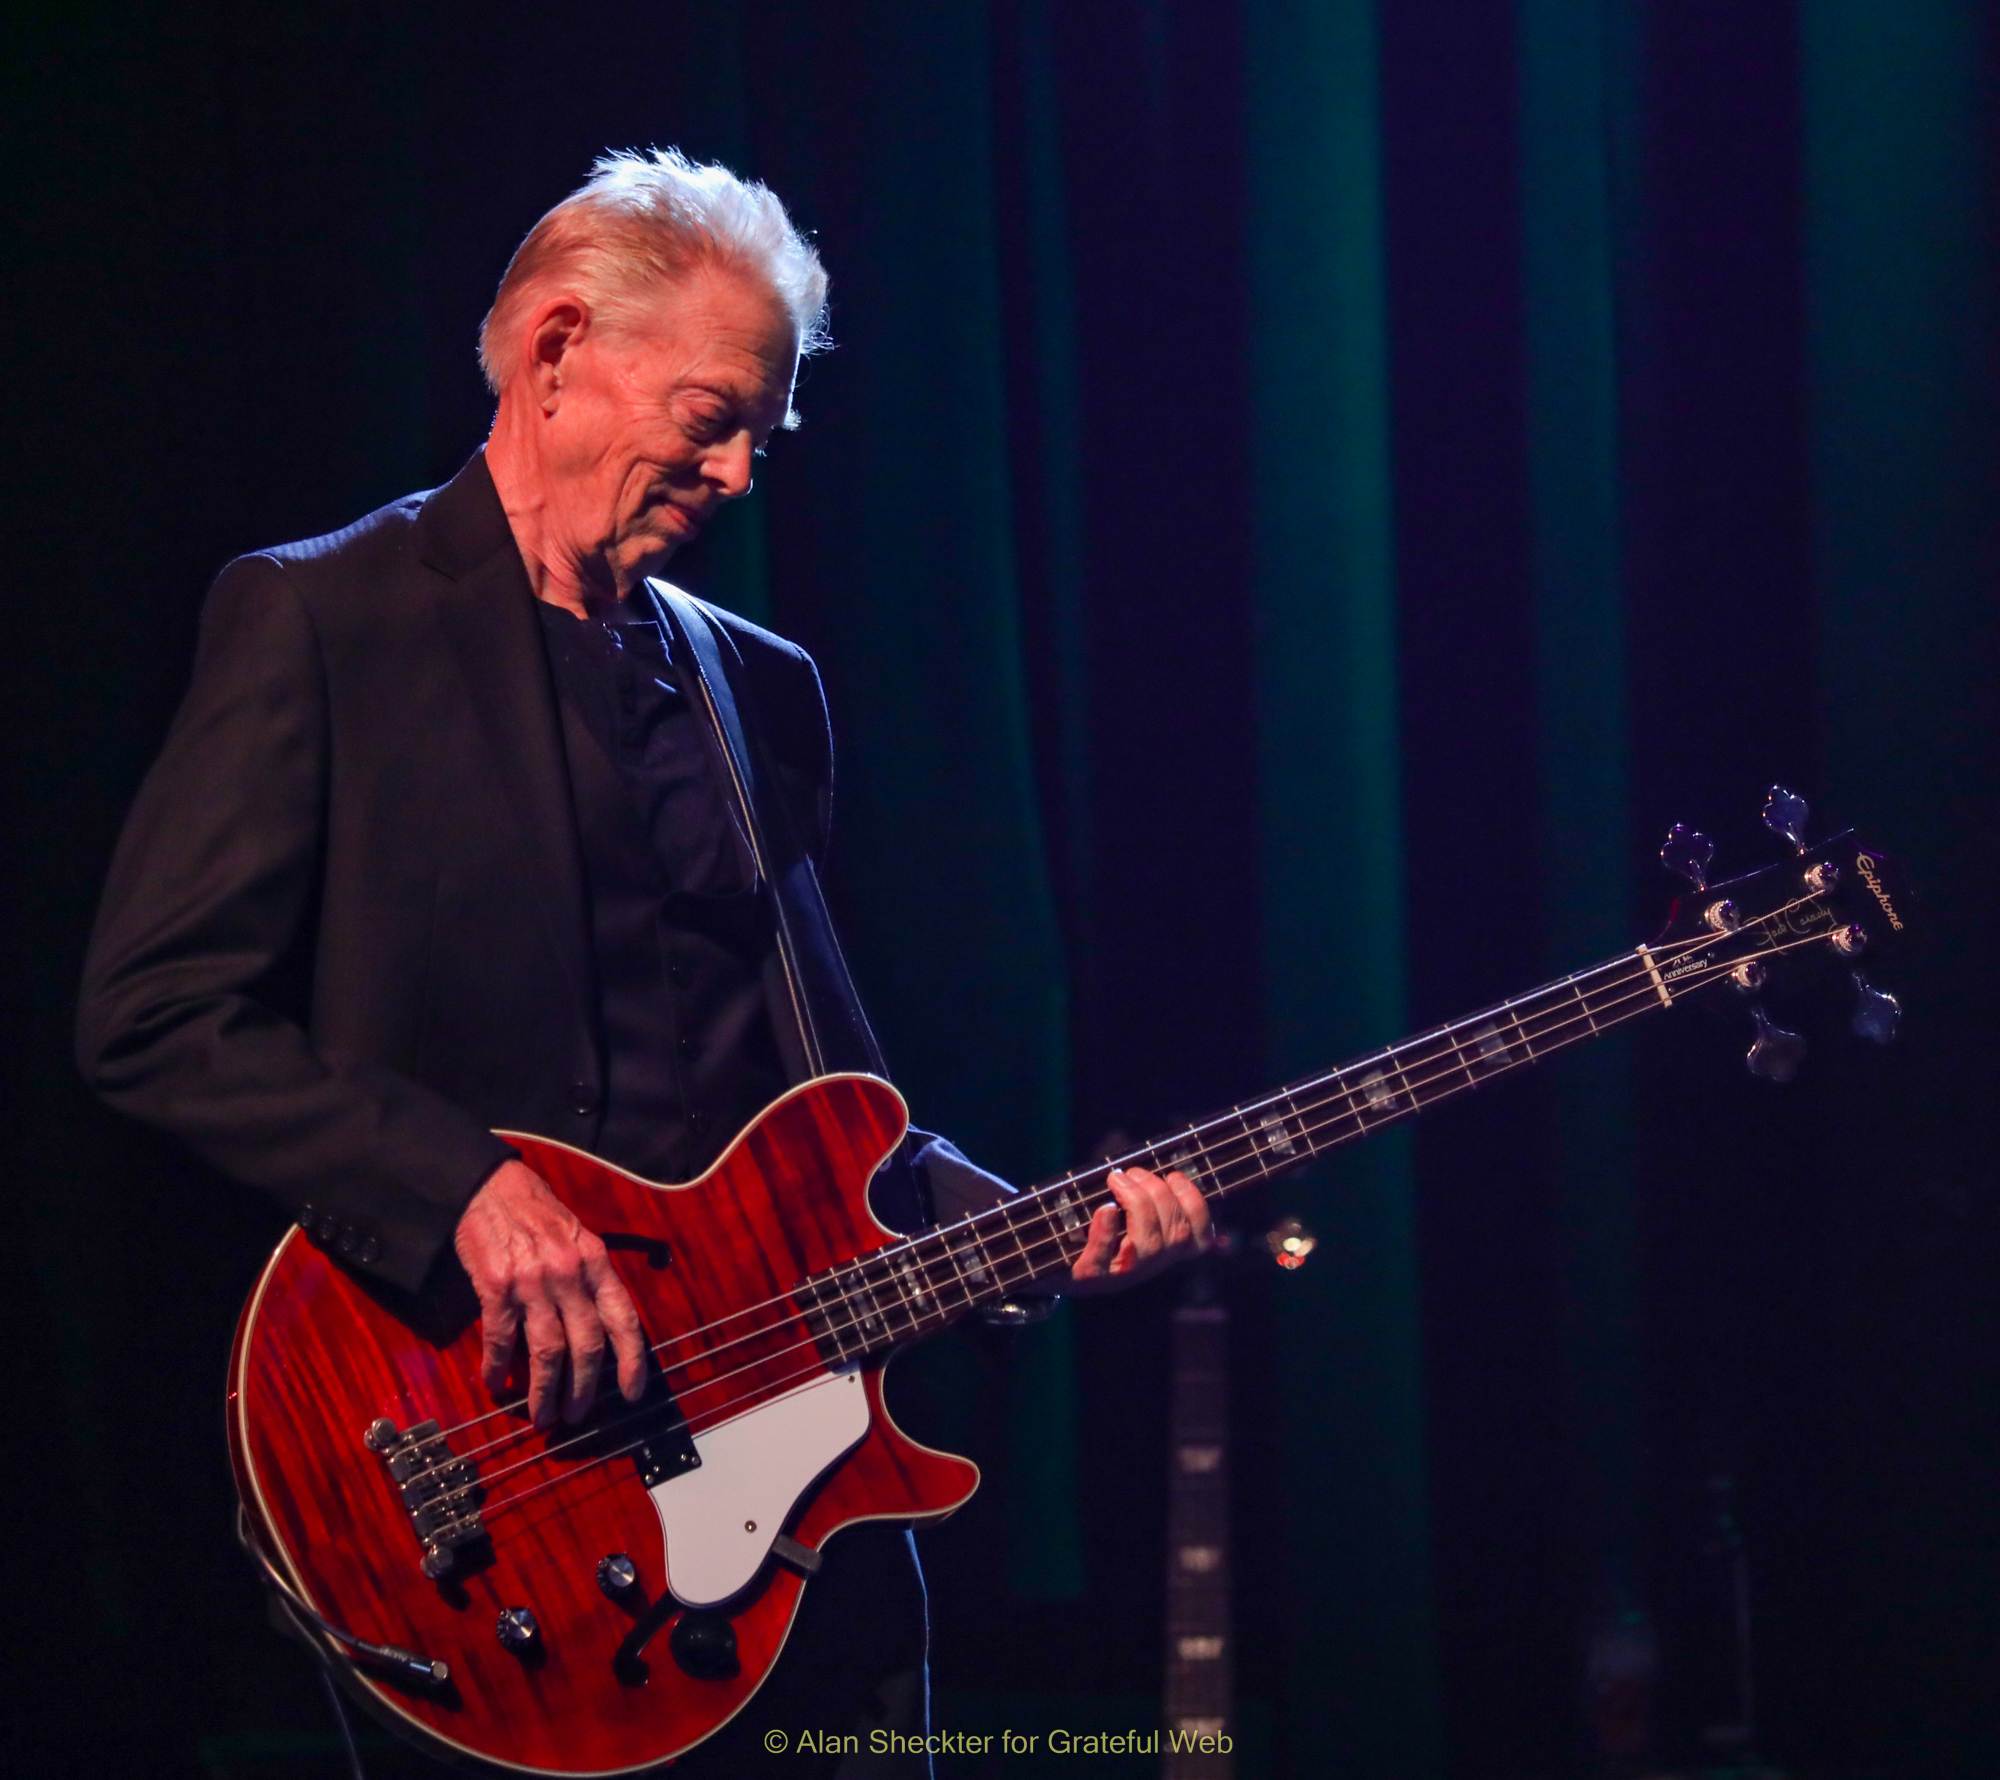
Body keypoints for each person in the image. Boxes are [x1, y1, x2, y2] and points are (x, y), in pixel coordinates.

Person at [75, 149, 1210, 1772]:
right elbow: (152, 1014)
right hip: (488, 1474)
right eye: (710, 414)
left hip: (793, 1486)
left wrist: (1048, 1228)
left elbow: (831, 1105)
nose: (742, 471)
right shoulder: (322, 621)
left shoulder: (763, 687)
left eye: (765, 431)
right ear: (554, 354)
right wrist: (462, 1186)